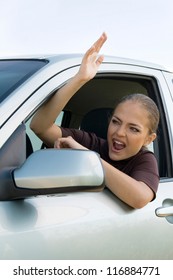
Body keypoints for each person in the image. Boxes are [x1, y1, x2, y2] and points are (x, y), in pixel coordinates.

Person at [30, 32, 160, 209]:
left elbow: (139, 198)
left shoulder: (144, 159)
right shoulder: (93, 143)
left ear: (148, 139)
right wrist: (80, 79)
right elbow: (40, 127)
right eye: (116, 121)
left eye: (134, 129)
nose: (119, 132)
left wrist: (87, 156)